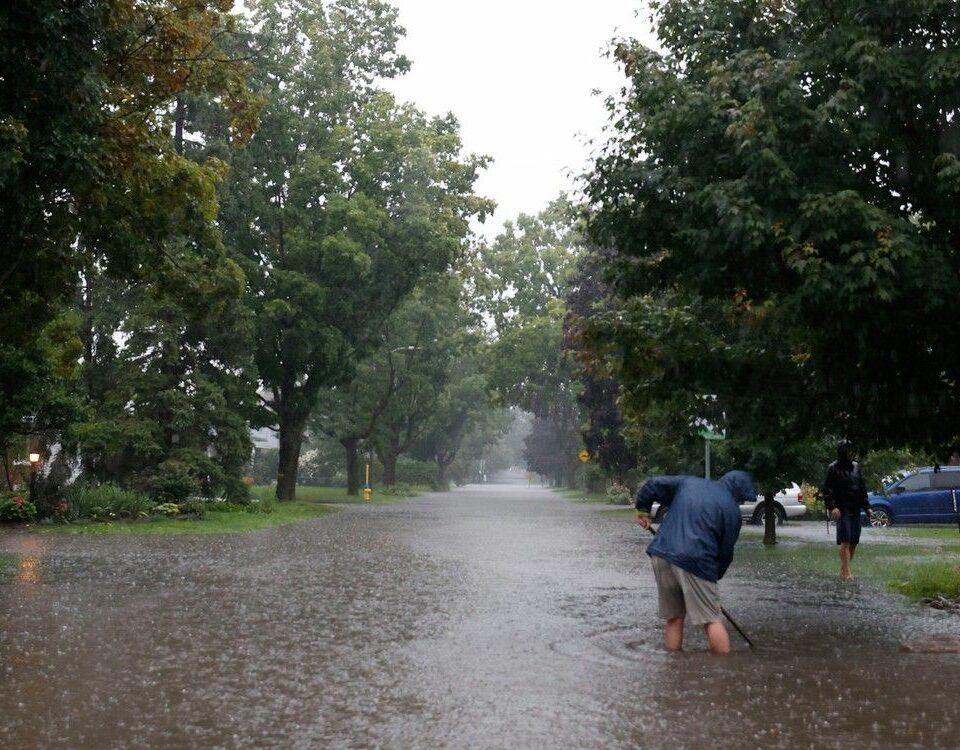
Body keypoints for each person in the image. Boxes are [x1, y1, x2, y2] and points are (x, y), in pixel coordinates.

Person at [635, 470, 755, 655]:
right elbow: (725, 555)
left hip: (662, 554)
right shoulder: (732, 512)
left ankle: (673, 665)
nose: (741, 503)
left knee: (674, 618)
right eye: (743, 499)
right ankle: (725, 672)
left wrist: (643, 510)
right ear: (739, 494)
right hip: (696, 560)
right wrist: (712, 578)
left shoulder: (689, 482)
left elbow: (652, 484)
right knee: (712, 619)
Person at [823, 441, 871, 580]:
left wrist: (867, 507)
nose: (851, 453)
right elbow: (827, 490)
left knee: (854, 541)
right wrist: (832, 507)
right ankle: (847, 573)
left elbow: (861, 488)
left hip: (855, 508)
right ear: (843, 452)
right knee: (845, 541)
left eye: (852, 451)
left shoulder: (856, 467)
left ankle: (844, 569)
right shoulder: (833, 468)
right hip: (841, 509)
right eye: (848, 451)